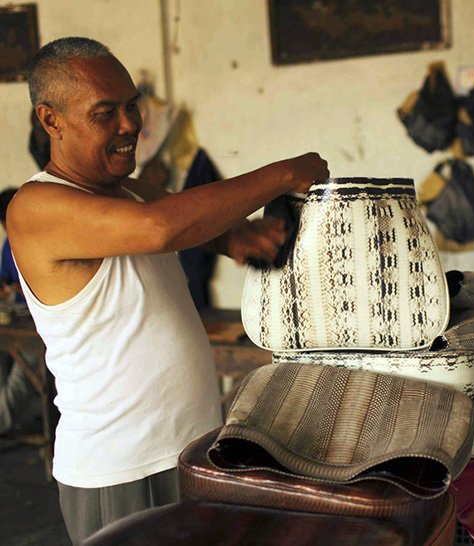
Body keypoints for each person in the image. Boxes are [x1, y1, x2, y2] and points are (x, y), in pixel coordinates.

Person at [9, 36, 329, 544]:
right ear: (51, 120)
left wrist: (244, 237)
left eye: (132, 105)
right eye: (105, 112)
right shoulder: (36, 208)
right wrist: (286, 173)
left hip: (191, 451)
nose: (130, 124)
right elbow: (162, 227)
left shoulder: (129, 191)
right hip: (122, 469)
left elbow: (197, 220)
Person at [0, 187, 32, 436]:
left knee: (24, 371)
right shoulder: (9, 244)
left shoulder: (41, 240)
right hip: (17, 320)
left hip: (40, 330)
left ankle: (3, 420)